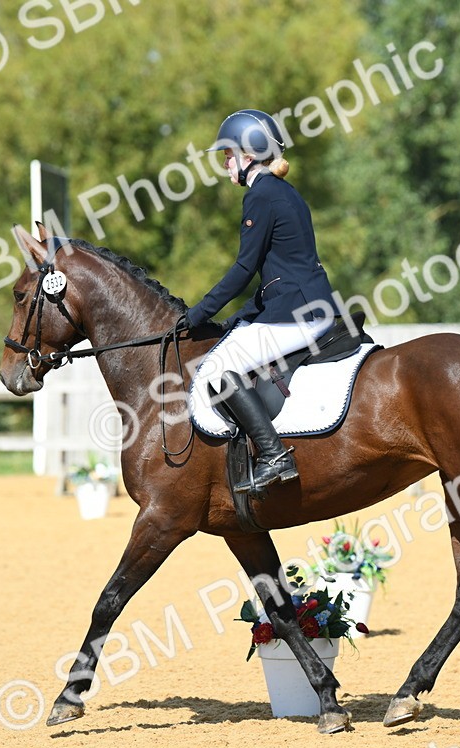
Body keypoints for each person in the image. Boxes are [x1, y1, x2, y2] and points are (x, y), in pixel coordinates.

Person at [184, 109, 340, 492]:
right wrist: (241, 317)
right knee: (231, 347)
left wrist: (197, 314)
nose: (224, 163)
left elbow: (243, 268)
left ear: (248, 155)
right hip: (303, 305)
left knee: (218, 368)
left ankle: (274, 456)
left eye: (227, 155)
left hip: (297, 314)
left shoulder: (262, 195)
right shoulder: (282, 192)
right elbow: (276, 270)